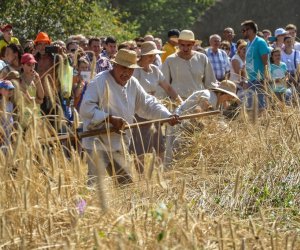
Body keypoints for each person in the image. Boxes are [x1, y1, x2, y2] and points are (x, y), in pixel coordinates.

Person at [79, 49, 179, 186]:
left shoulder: (133, 83)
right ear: (115, 65)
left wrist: (167, 115)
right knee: (95, 187)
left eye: (130, 69)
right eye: (123, 68)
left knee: (126, 186)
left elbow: (147, 104)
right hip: (98, 143)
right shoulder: (100, 81)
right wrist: (109, 119)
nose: (126, 73)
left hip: (119, 143)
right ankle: (82, 208)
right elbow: (85, 109)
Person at [129, 41, 183, 173]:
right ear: (143, 56)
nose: (152, 58)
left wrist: (180, 101)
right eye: (149, 55)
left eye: (154, 55)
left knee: (159, 146)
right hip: (139, 112)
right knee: (140, 147)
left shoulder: (155, 70)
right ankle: (141, 177)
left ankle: (160, 174)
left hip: (154, 110)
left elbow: (168, 87)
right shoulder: (135, 71)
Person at [165, 80, 240, 166]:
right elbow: (197, 113)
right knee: (173, 158)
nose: (229, 101)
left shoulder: (216, 100)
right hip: (179, 123)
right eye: (229, 97)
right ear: (223, 93)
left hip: (187, 126)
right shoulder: (209, 97)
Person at [162, 30, 217, 99]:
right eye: (182, 45)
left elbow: (210, 82)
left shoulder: (202, 58)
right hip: (177, 103)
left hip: (199, 102)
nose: (185, 48)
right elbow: (164, 85)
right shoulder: (170, 60)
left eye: (188, 45)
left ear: (193, 44)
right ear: (178, 43)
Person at [241, 20, 270, 110]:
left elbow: (265, 61)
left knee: (260, 105)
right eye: (243, 30)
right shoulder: (249, 43)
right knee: (250, 106)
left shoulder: (260, 42)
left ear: (252, 30)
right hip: (251, 79)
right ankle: (254, 124)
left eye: (245, 30)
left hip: (259, 78)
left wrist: (264, 78)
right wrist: (246, 79)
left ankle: (262, 124)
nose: (243, 32)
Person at [19, 53, 44, 129]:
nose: (32, 67)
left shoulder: (35, 78)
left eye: (33, 64)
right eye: (29, 65)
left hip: (36, 115)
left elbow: (42, 96)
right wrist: (38, 100)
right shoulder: (19, 79)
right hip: (25, 117)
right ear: (22, 65)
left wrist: (38, 80)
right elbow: (29, 99)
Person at [0, 80, 15, 149]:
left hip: (9, 132)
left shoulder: (11, 103)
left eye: (11, 89)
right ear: (0, 91)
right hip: (2, 133)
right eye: (6, 89)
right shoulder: (0, 103)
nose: (9, 91)